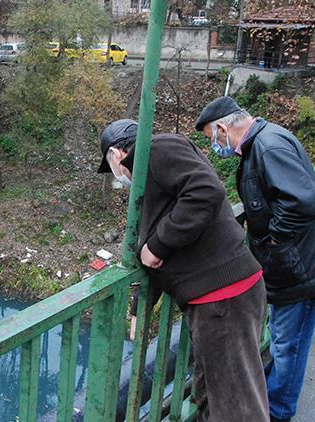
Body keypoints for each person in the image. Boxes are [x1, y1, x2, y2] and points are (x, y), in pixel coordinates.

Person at [98, 119, 269, 422]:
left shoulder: (154, 148)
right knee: (211, 396)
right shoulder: (151, 179)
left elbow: (205, 191)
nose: (118, 176)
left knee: (236, 407)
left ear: (115, 154)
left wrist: (159, 244)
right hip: (218, 299)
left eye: (113, 166)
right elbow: (149, 247)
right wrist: (140, 306)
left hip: (223, 298)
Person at [196, 97, 315, 422]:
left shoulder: (267, 148)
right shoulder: (264, 142)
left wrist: (273, 240)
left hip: (301, 268)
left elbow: (302, 202)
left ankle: (278, 411)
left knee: (288, 347)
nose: (213, 144)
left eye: (211, 136)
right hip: (294, 266)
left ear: (223, 128)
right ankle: (273, 404)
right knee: (285, 342)